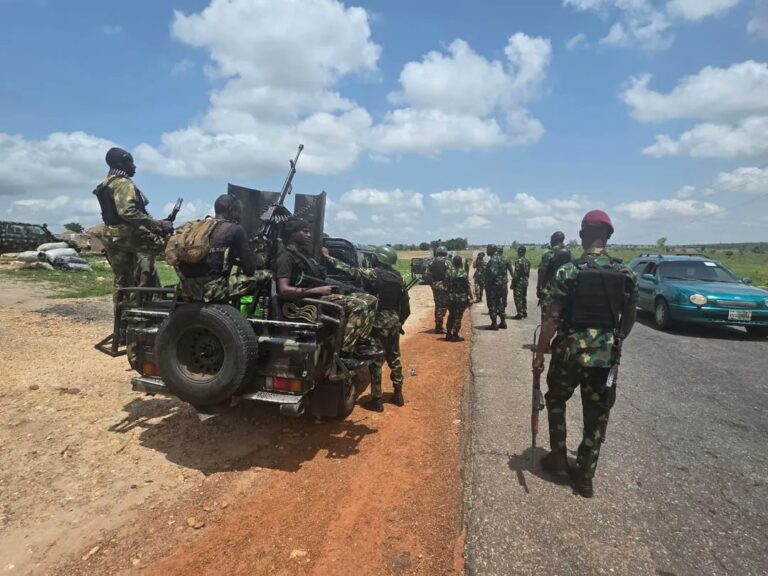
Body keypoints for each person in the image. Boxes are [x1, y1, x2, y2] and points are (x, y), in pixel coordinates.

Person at [532, 210, 638, 498]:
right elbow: (629, 317)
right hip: (604, 360)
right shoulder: (625, 273)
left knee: (556, 401)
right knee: (596, 414)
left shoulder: (569, 271)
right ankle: (585, 475)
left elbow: (551, 319)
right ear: (609, 236)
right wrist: (613, 342)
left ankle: (557, 458)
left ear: (581, 236)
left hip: (568, 355)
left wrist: (540, 354)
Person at [272, 217, 377, 356]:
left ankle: (361, 343)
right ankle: (346, 352)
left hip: (317, 296)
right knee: (360, 305)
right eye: (305, 232)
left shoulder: (305, 256)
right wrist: (318, 290)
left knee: (371, 299)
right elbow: (284, 290)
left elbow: (319, 278)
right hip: (303, 302)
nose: (309, 235)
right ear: (293, 233)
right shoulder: (285, 257)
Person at [92, 147, 170, 309]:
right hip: (128, 235)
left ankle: (122, 318)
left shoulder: (106, 184)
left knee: (122, 280)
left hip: (112, 236)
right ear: (122, 162)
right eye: (131, 162)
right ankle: (148, 310)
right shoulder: (123, 183)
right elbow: (127, 211)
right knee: (168, 247)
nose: (134, 166)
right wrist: (155, 224)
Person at [173, 194, 272, 302]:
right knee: (267, 275)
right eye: (238, 211)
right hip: (213, 291)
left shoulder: (199, 229)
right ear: (231, 210)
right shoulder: (235, 230)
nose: (239, 216)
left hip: (187, 289)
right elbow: (249, 270)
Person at [354, 245, 410, 412]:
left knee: (376, 361)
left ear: (378, 259)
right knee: (394, 357)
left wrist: (329, 259)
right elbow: (406, 307)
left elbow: (351, 271)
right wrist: (399, 323)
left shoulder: (374, 273)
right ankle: (398, 394)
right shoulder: (398, 277)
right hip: (394, 322)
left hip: (378, 322)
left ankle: (376, 400)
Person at [537, 231, 571, 322]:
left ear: (554, 239)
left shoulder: (549, 253)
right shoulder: (570, 254)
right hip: (565, 292)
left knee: (546, 319)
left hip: (549, 291)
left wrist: (539, 287)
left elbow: (542, 271)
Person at [445, 255, 472, 341]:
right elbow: (467, 287)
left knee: (451, 315)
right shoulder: (463, 273)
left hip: (450, 298)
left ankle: (448, 333)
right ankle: (455, 335)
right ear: (461, 263)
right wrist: (471, 297)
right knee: (458, 316)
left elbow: (446, 284)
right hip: (461, 298)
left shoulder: (448, 272)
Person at [424, 245, 451, 333]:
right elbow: (451, 274)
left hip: (435, 286)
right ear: (445, 252)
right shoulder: (447, 262)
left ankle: (438, 325)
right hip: (445, 286)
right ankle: (440, 325)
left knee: (438, 305)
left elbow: (427, 274)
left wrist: (432, 283)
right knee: (444, 305)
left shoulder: (432, 262)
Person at [484, 244, 508, 330]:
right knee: (500, 303)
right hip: (502, 284)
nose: (486, 250)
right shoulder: (502, 258)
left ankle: (494, 324)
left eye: (488, 249)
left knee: (492, 303)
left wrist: (487, 284)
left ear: (492, 250)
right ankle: (503, 322)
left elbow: (493, 273)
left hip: (494, 285)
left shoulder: (494, 259)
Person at [510, 245, 531, 319]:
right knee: (524, 297)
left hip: (519, 282)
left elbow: (516, 274)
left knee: (518, 298)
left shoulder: (518, 261)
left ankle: (519, 313)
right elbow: (528, 273)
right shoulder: (527, 261)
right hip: (525, 282)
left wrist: (513, 283)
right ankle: (524, 311)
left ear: (519, 252)